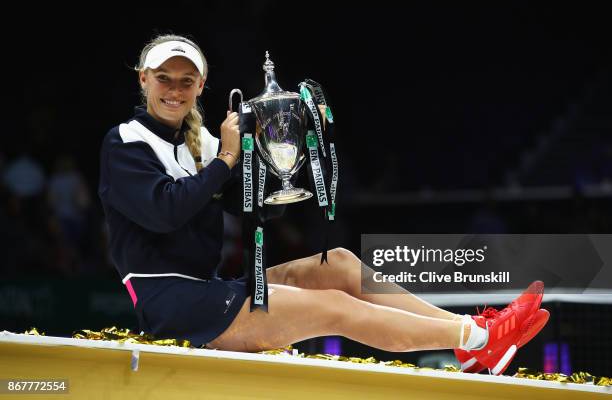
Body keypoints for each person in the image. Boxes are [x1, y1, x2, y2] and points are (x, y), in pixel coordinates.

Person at [98, 34, 548, 375]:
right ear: (143, 79)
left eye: (186, 80)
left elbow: (256, 209)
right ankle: (481, 337)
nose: (174, 89)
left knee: (338, 266)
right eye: (163, 78)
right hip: (174, 306)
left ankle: (468, 335)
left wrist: (272, 166)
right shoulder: (125, 142)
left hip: (212, 289)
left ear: (201, 86)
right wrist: (229, 158)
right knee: (334, 304)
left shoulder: (207, 144)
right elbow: (165, 212)